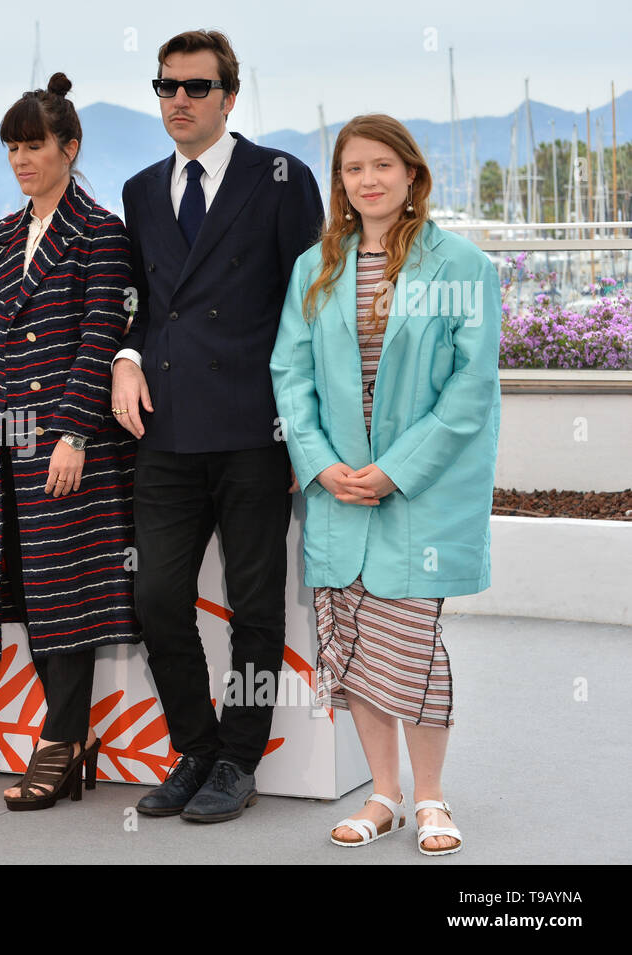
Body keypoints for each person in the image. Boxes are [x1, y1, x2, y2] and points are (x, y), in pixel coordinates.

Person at [270, 114, 500, 856]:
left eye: (381, 166)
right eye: (351, 169)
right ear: (339, 182)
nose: (366, 180)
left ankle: (431, 797)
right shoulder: (317, 268)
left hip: (416, 492)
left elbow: (472, 388)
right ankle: (383, 795)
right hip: (338, 489)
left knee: (413, 645)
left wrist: (396, 469)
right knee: (357, 647)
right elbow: (290, 375)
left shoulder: (460, 265)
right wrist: (320, 463)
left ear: (411, 175)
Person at [111, 30, 323, 821]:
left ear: (230, 96)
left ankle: (239, 758)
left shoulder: (281, 177)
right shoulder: (139, 190)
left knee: (255, 604)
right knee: (157, 598)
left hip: (254, 429)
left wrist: (306, 431)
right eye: (165, 86)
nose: (178, 100)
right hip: (163, 432)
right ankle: (194, 747)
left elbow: (311, 309)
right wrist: (125, 357)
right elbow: (133, 298)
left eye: (195, 88)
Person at [0, 74, 139, 811]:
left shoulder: (102, 233)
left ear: (70, 147)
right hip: (6, 449)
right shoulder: (0, 237)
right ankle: (68, 742)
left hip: (74, 450)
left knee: (69, 597)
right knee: (32, 595)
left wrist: (72, 432)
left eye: (34, 145)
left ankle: (60, 741)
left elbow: (101, 337)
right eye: (12, 147)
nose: (22, 159)